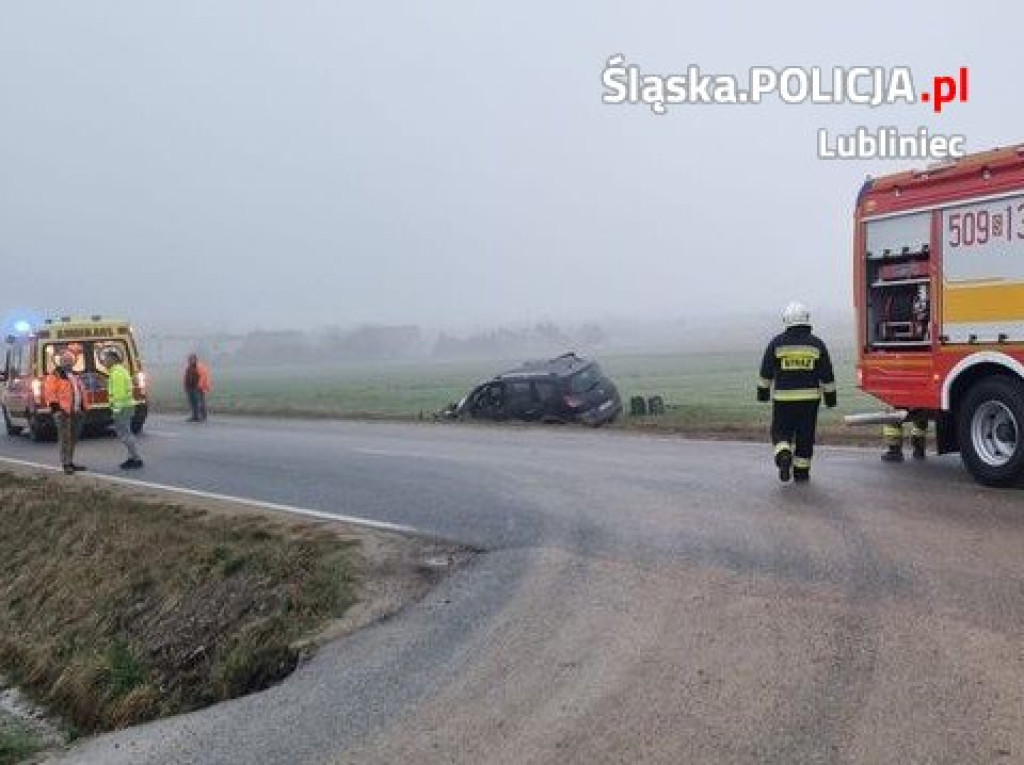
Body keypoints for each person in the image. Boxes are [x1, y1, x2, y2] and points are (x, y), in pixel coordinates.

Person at [756, 302, 837, 483]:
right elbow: (827, 374)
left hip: (783, 400)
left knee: (780, 431)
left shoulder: (777, 343)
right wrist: (830, 398)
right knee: (805, 436)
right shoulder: (816, 344)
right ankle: (801, 473)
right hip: (810, 401)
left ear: (786, 321)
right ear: (806, 320)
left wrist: (763, 394)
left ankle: (784, 454)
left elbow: (765, 371)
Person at [44, 349, 86, 475]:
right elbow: (50, 393)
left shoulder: (75, 375)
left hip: (77, 411)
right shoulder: (55, 375)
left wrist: (84, 408)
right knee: (65, 438)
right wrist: (56, 409)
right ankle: (66, 463)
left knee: (73, 438)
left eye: (70, 361)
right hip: (63, 412)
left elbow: (80, 392)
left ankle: (70, 461)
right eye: (66, 361)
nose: (69, 363)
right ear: (61, 362)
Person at [102, 347, 143, 470]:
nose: (105, 362)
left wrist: (115, 410)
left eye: (106, 359)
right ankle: (132, 458)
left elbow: (118, 395)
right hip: (125, 407)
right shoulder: (119, 371)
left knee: (125, 435)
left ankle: (136, 458)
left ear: (113, 360)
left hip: (122, 408)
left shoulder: (117, 373)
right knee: (126, 434)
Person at [183, 353, 211, 422]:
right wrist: (186, 386)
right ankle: (195, 416)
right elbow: (186, 377)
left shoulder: (200, 366)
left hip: (198, 387)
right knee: (193, 402)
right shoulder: (189, 367)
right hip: (190, 387)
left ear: (195, 359)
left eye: (192, 359)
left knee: (200, 402)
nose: (190, 361)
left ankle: (203, 416)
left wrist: (199, 386)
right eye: (189, 359)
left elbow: (203, 376)